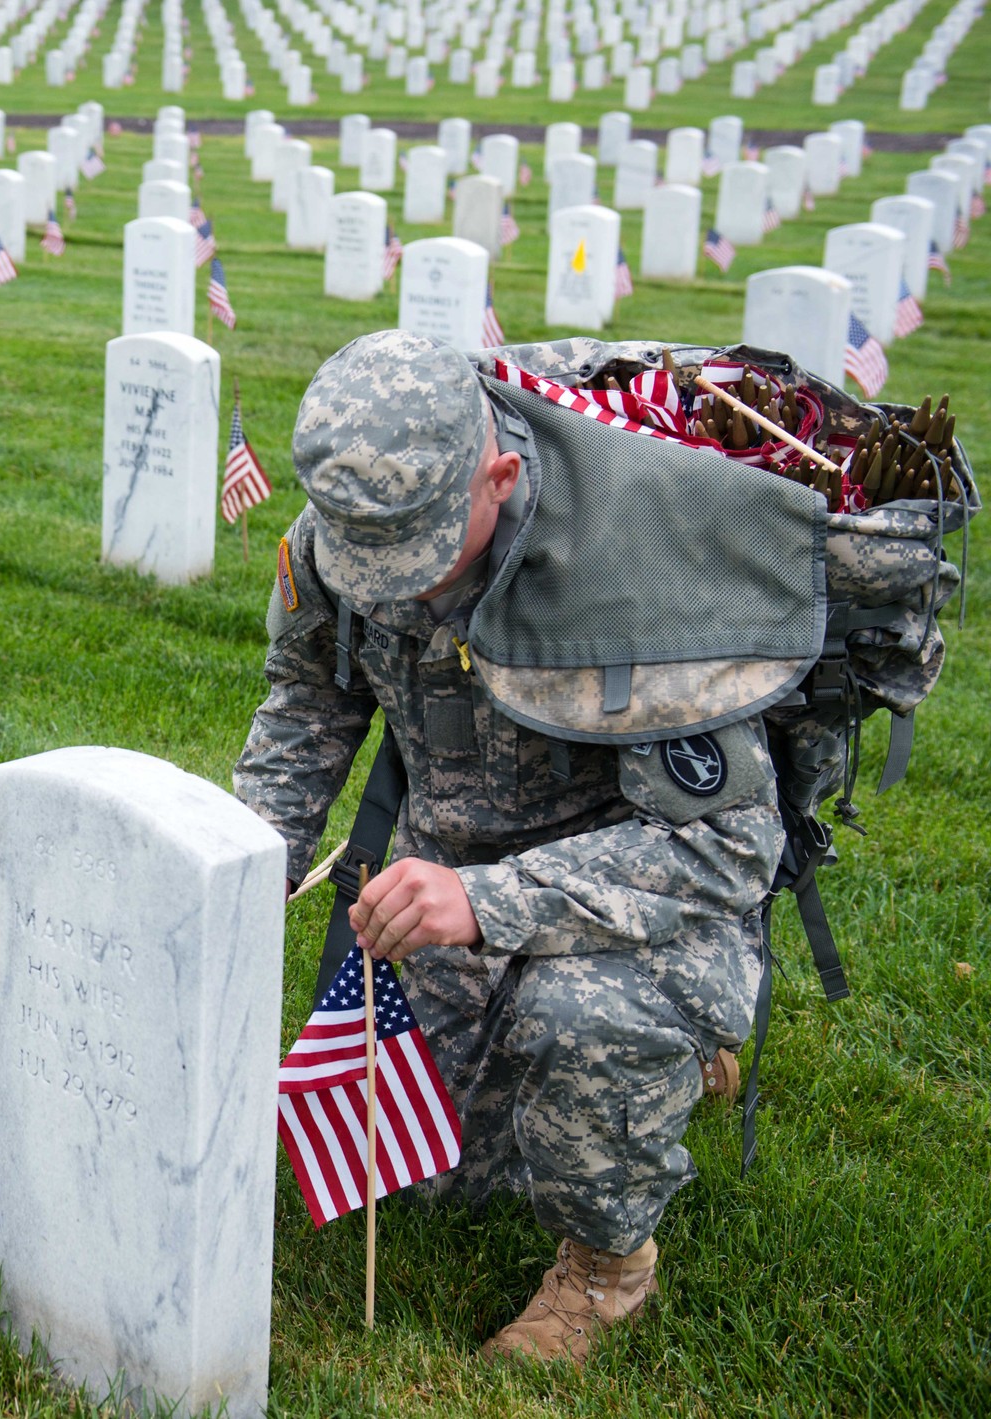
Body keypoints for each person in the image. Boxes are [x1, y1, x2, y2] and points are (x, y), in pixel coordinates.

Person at [234, 329, 788, 1365]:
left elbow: (726, 850)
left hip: (635, 910)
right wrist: (248, 861)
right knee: (429, 1176)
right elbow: (309, 697)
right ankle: (656, 1074)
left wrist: (489, 903)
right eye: (370, 566)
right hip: (443, 883)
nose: (393, 592)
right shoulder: (356, 525)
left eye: (417, 560)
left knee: (580, 1029)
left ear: (497, 475)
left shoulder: (633, 571)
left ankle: (607, 1268)